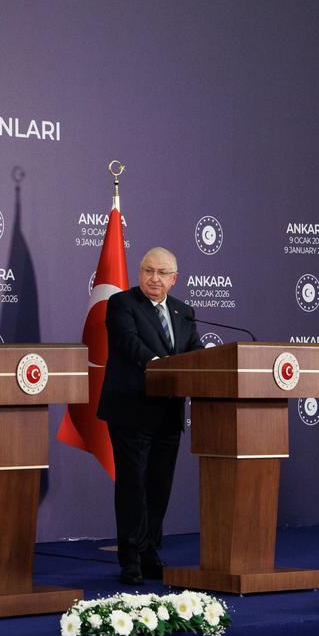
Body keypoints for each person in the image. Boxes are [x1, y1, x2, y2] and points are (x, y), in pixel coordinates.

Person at [97, 246, 201, 586]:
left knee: (159, 486)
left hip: (169, 413)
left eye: (161, 273)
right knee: (133, 486)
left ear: (174, 279)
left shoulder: (184, 311)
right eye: (147, 271)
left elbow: (194, 350)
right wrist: (158, 364)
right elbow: (128, 344)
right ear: (139, 272)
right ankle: (130, 558)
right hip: (131, 410)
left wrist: (210, 360)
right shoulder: (122, 304)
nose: (153, 278)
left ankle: (149, 552)